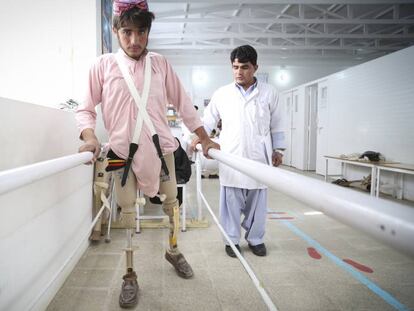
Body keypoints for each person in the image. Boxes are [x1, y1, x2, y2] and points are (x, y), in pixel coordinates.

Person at [75, 0, 217, 308]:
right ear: (116, 31)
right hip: (118, 153)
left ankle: (174, 250)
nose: (135, 40)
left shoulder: (161, 64)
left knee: (172, 203)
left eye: (141, 32)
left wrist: (205, 139)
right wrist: (89, 138)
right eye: (127, 32)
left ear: (149, 33)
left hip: (160, 148)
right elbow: (85, 109)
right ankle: (129, 274)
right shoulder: (101, 66)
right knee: (126, 211)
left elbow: (184, 103)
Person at [194, 45, 285, 258]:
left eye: (244, 67)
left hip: (259, 156)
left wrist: (279, 150)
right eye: (235, 67)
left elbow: (278, 124)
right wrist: (197, 139)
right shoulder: (222, 94)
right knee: (231, 202)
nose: (239, 72)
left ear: (255, 67)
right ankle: (232, 240)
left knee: (257, 203)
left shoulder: (270, 93)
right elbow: (207, 121)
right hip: (231, 155)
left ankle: (256, 239)